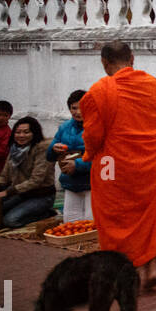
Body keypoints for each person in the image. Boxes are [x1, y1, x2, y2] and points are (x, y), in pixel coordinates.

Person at [80, 41, 156, 291]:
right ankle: (151, 266)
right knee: (148, 215)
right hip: (148, 165)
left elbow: (93, 135)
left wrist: (88, 154)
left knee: (115, 217)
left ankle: (125, 272)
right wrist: (152, 151)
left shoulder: (99, 91)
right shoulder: (153, 85)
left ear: (104, 63)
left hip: (112, 166)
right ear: (132, 58)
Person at [0, 115, 57, 228]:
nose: (21, 136)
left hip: (41, 196)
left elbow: (36, 180)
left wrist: (7, 192)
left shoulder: (42, 148)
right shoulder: (14, 149)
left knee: (10, 221)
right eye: (18, 132)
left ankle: (47, 214)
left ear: (34, 133)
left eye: (26, 132)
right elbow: (5, 174)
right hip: (21, 194)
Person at [47, 90, 92, 221]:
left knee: (91, 225)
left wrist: (77, 165)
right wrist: (53, 149)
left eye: (83, 107)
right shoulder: (64, 128)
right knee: (71, 222)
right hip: (71, 182)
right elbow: (49, 156)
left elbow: (104, 157)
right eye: (74, 108)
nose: (78, 112)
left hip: (92, 184)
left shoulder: (98, 127)